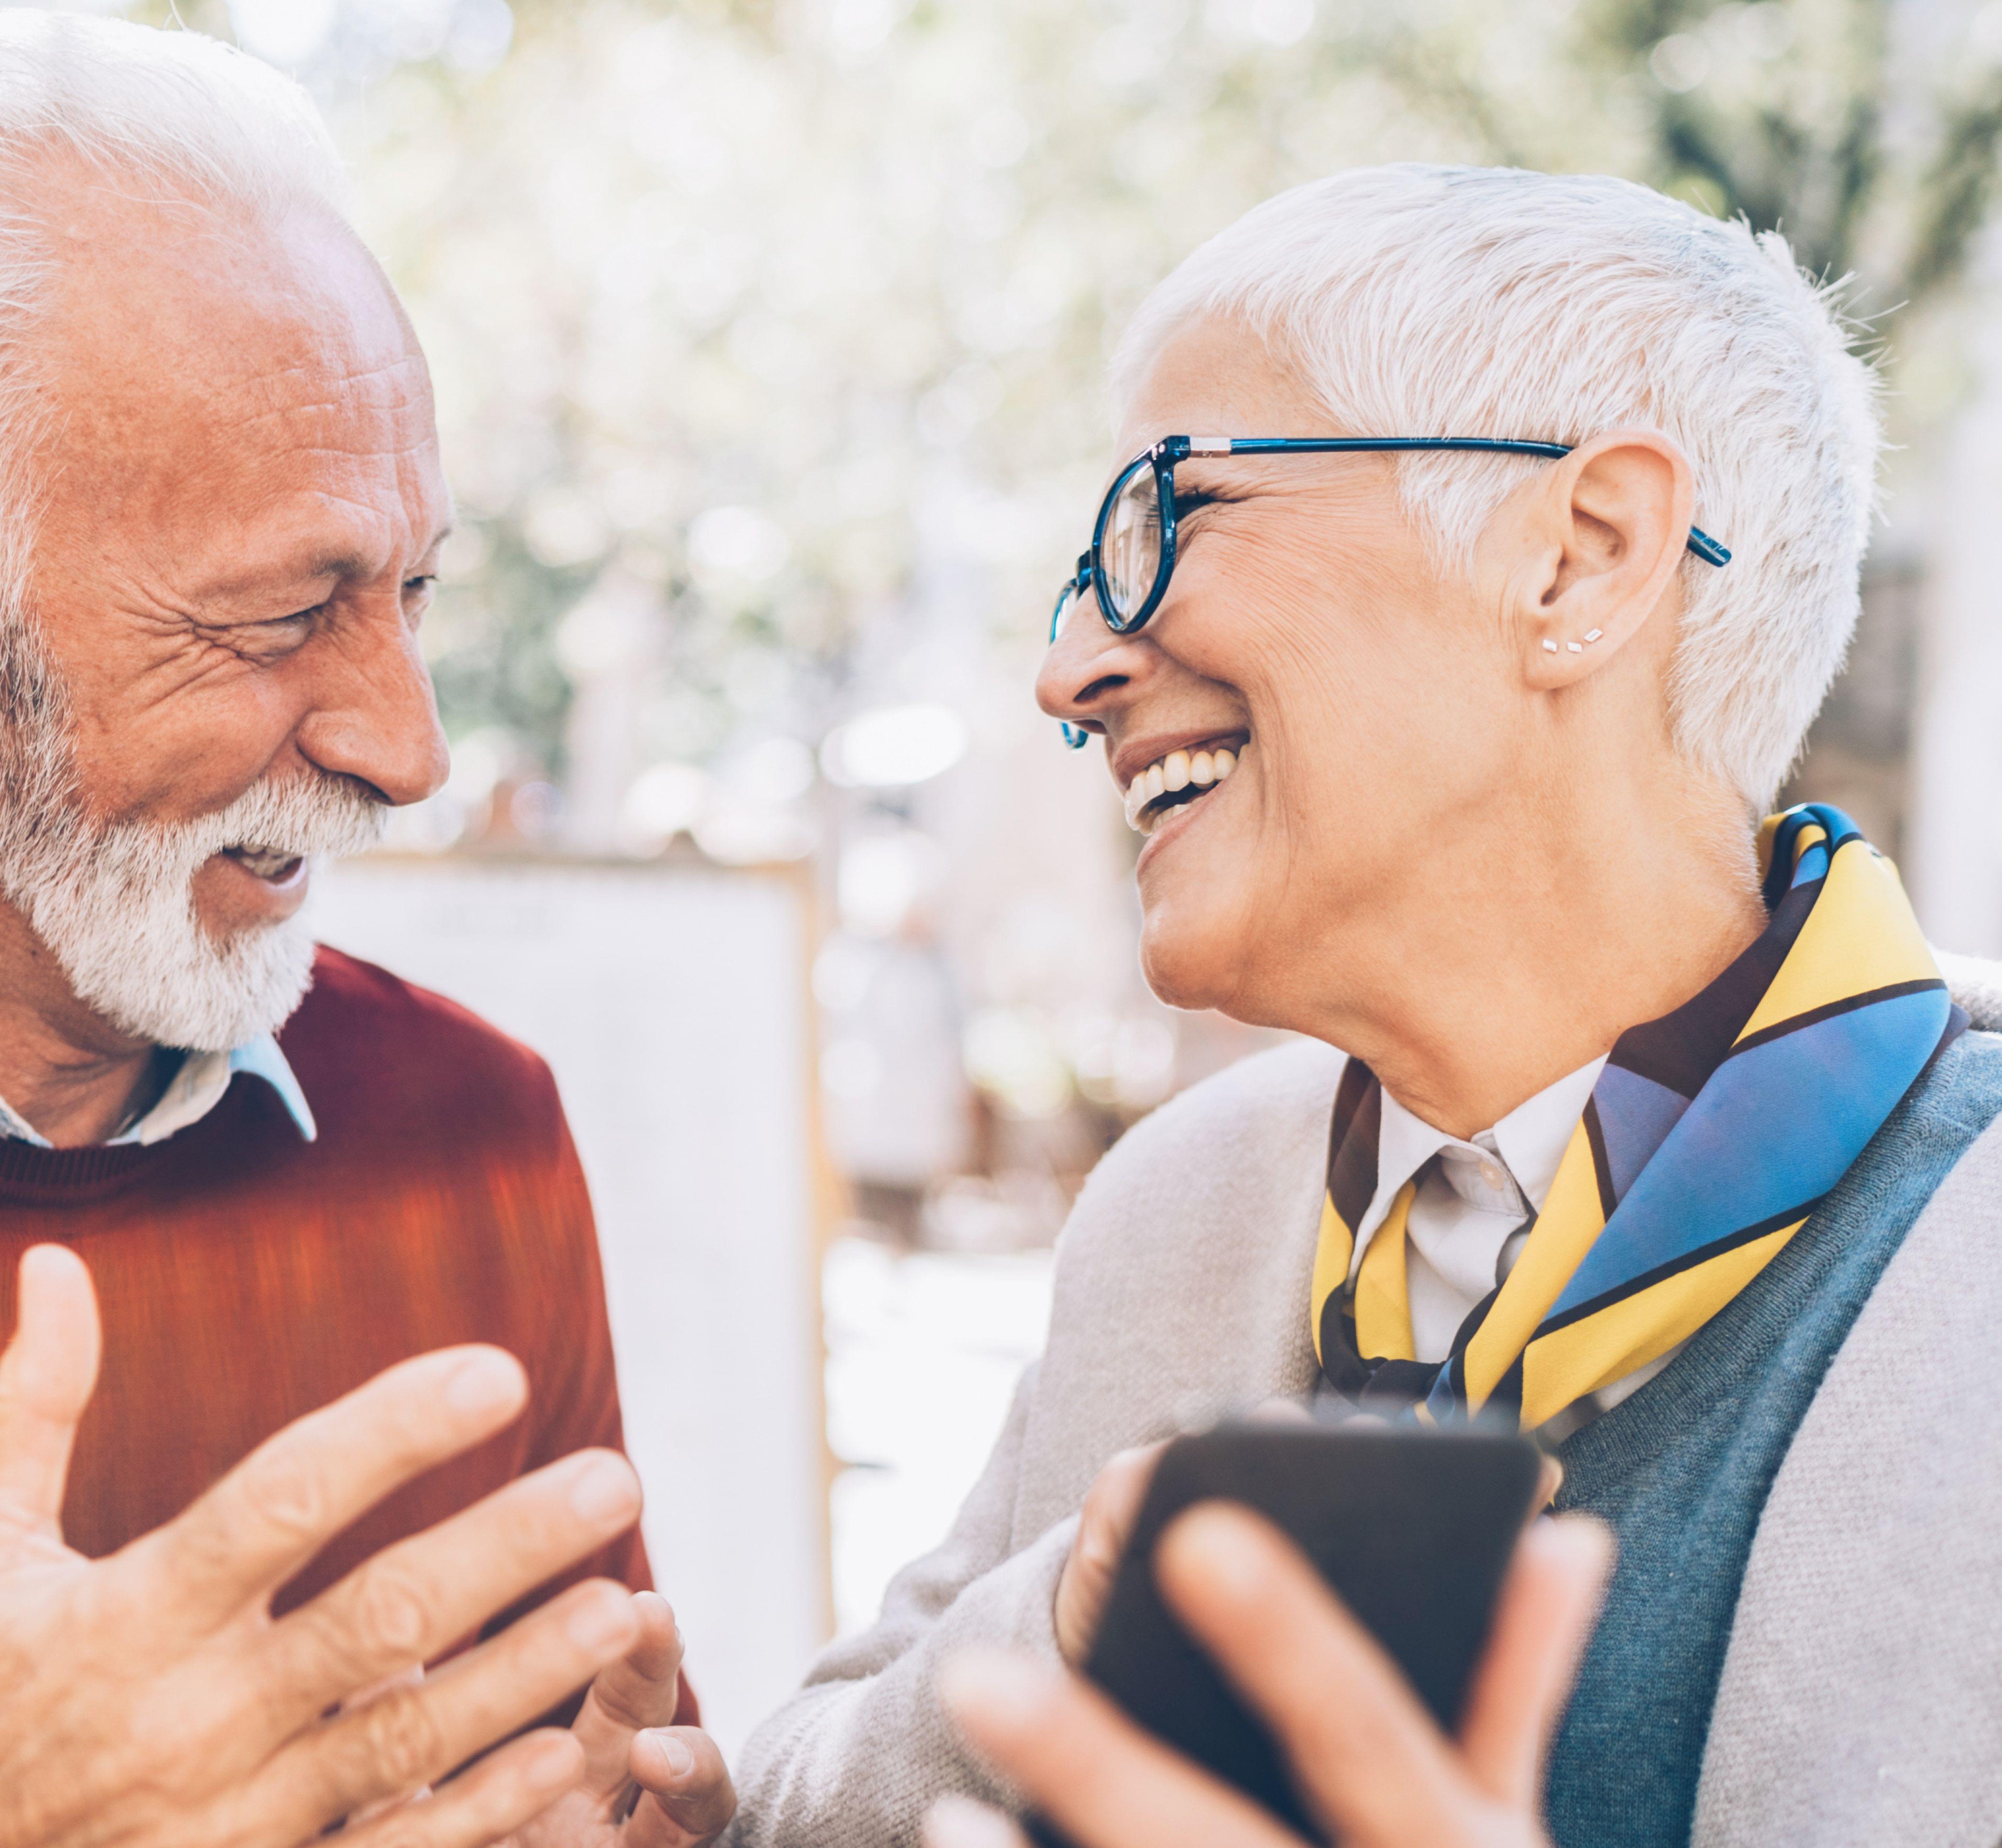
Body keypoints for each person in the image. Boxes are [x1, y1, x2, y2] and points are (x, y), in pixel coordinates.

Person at [0, 17, 736, 1848]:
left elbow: (587, 1753)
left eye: (410, 591)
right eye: (277, 620)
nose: (405, 749)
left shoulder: (469, 1128)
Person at [732, 165, 2002, 1848]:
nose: (1072, 670)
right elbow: (799, 1790)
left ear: (1582, 558)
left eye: (1170, 516)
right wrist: (1071, 1621)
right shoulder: (1181, 1209)